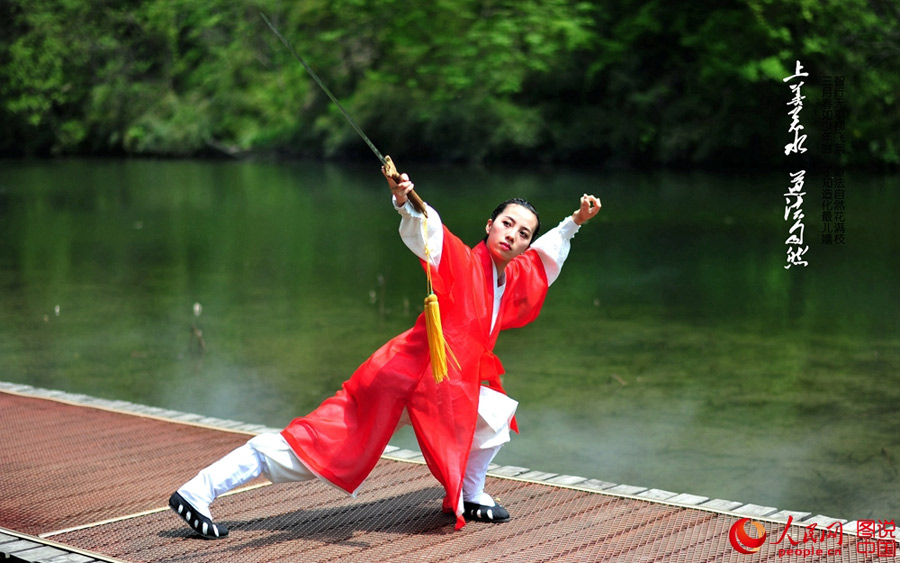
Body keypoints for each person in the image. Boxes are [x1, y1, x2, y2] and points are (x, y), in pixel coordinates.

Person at [169, 167, 601, 538]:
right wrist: (404, 202)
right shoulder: (463, 262)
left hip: (443, 387)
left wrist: (575, 222)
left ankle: (470, 495)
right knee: (315, 446)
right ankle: (198, 491)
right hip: (401, 375)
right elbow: (431, 231)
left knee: (495, 415)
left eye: (523, 233)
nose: (513, 235)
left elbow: (544, 259)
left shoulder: (509, 277)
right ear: (489, 225)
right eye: (507, 224)